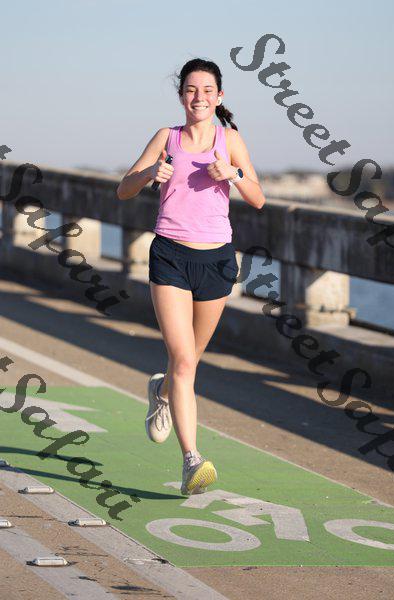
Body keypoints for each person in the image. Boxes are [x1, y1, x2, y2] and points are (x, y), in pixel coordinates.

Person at [117, 58, 266, 496]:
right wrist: (149, 174)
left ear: (219, 97)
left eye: (207, 90)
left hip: (216, 261)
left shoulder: (230, 139)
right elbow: (123, 189)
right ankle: (191, 460)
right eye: (190, 90)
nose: (198, 97)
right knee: (183, 361)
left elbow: (258, 198)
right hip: (171, 257)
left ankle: (161, 393)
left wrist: (235, 174)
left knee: (189, 361)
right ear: (181, 95)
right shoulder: (166, 137)